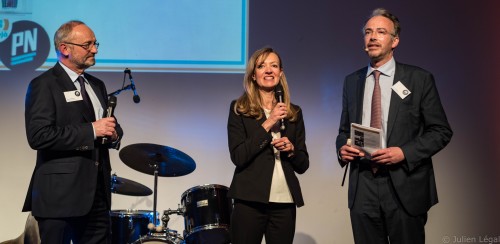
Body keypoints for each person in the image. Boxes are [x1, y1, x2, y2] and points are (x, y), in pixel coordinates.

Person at [336, 8, 453, 244]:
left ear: (395, 40)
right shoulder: (352, 81)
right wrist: (342, 149)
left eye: (380, 32)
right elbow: (343, 132)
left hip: (404, 184)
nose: (372, 37)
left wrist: (404, 153)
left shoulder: (418, 79)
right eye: (368, 32)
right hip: (363, 185)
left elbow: (441, 131)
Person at [22, 20, 123, 244]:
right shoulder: (44, 84)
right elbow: (39, 135)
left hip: (97, 197)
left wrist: (114, 134)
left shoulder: (97, 85)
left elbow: (105, 125)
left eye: (95, 43)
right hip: (60, 198)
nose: (94, 49)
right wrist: (91, 131)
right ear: (65, 48)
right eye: (87, 45)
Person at [227, 47, 309, 244]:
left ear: (281, 73)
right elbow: (238, 156)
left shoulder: (293, 112)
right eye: (262, 66)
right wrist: (268, 123)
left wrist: (291, 150)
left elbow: (303, 164)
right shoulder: (239, 109)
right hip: (249, 200)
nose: (269, 70)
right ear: (253, 75)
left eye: (274, 65)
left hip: (285, 202)